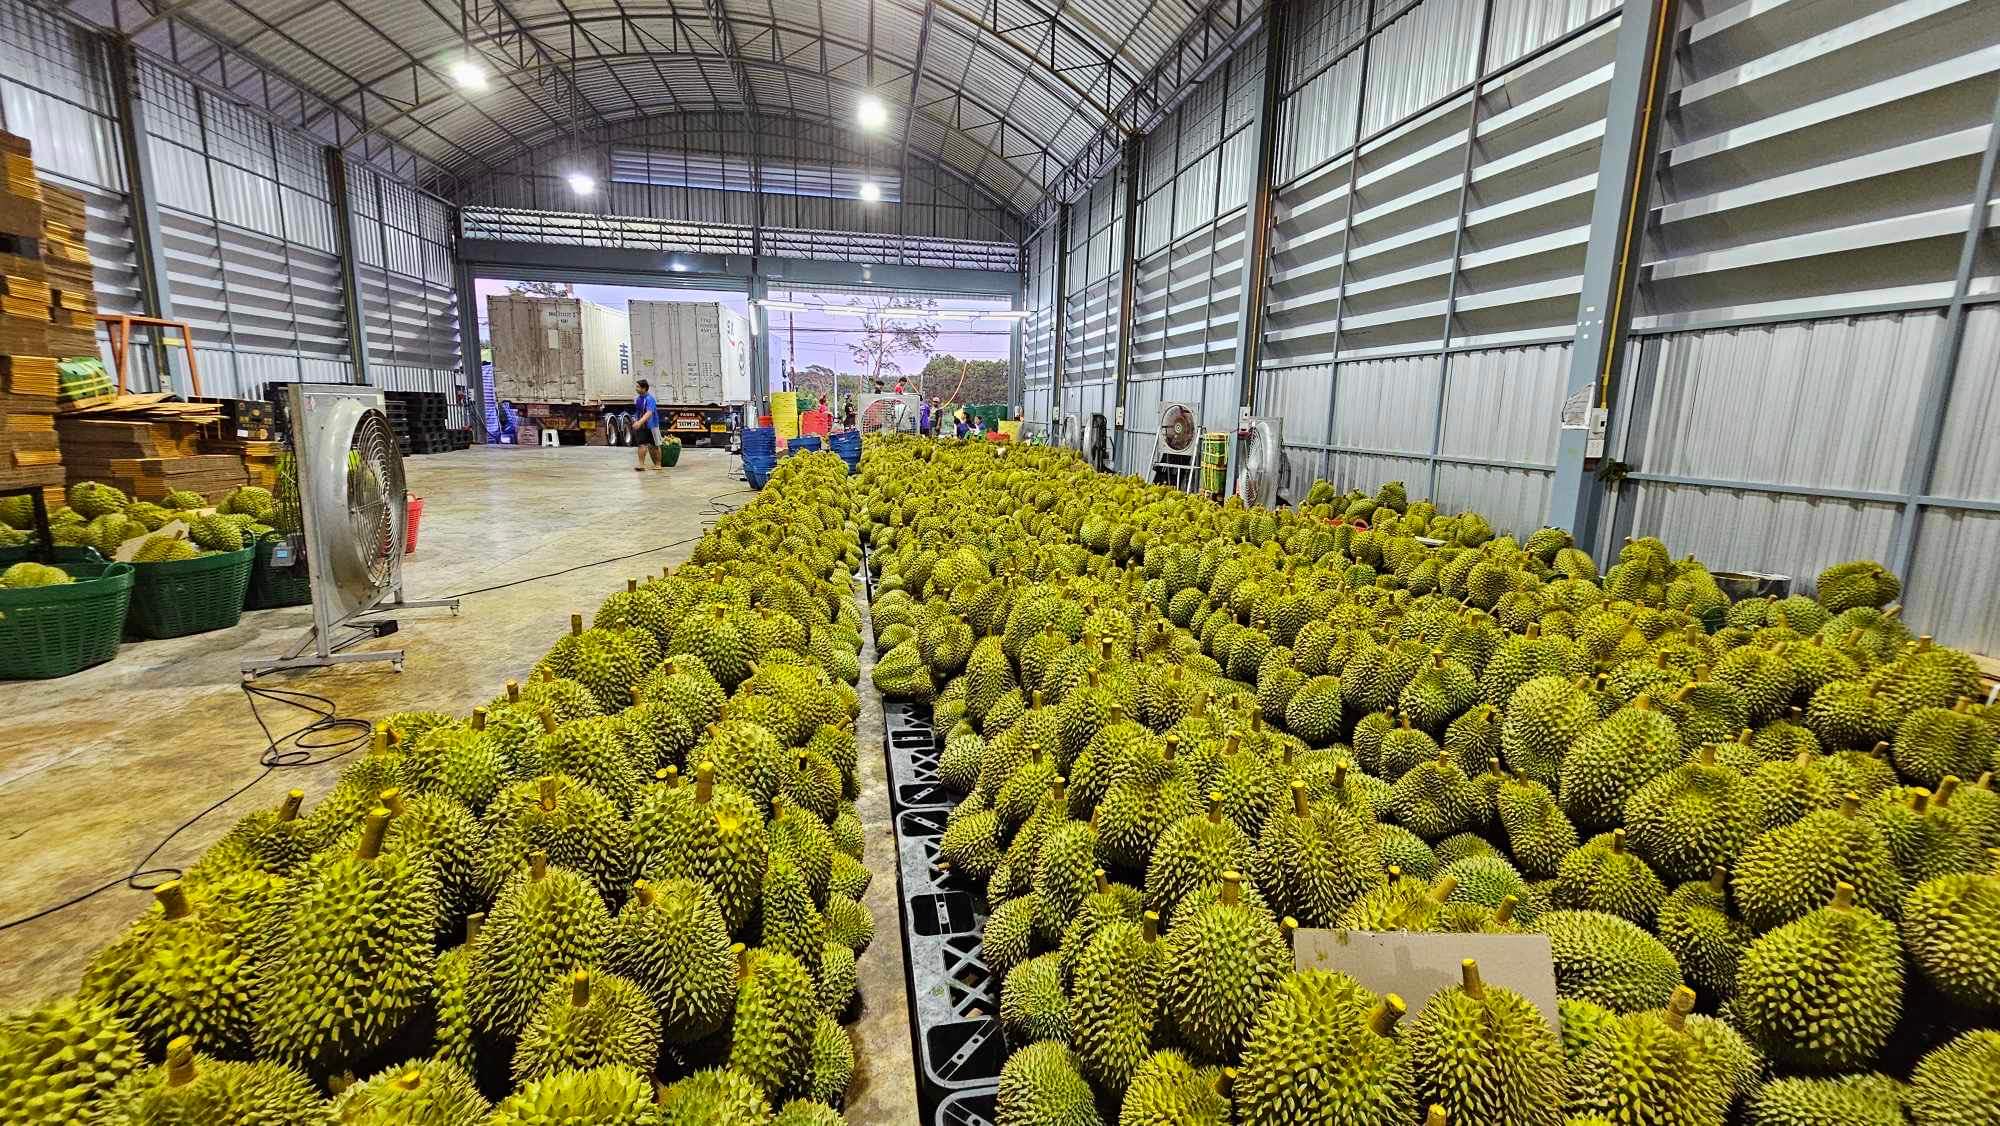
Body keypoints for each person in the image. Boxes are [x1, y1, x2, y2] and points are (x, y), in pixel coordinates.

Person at [631, 379, 661, 471]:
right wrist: (636, 420)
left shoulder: (650, 399)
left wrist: (640, 422)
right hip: (642, 426)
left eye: (638, 387)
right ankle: (641, 465)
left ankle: (658, 464)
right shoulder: (638, 399)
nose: (636, 389)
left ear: (644, 388)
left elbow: (649, 413)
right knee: (641, 445)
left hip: (652, 425)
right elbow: (638, 412)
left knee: (655, 445)